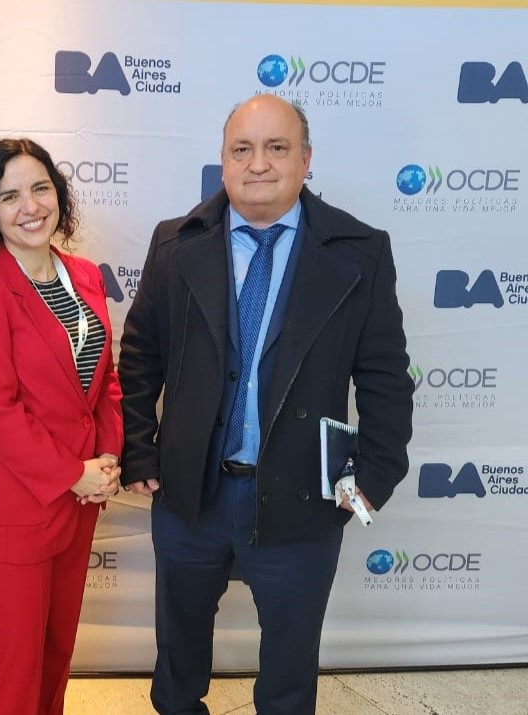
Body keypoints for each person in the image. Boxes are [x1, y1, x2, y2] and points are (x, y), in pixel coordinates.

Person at [117, 94, 413, 715]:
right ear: (223, 161)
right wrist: (139, 447)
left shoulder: (360, 251)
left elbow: (385, 377)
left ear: (306, 159)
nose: (258, 164)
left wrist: (374, 477)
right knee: (177, 662)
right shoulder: (174, 243)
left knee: (288, 672)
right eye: (242, 149)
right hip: (190, 497)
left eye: (277, 148)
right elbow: (141, 354)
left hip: (302, 498)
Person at [0, 137, 124, 715]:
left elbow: (104, 382)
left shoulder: (85, 277)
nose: (30, 206)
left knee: (53, 655)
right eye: (10, 195)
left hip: (77, 500)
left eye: (41, 188)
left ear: (58, 194)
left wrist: (106, 461)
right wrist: (72, 473)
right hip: (8, 506)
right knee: (9, 669)